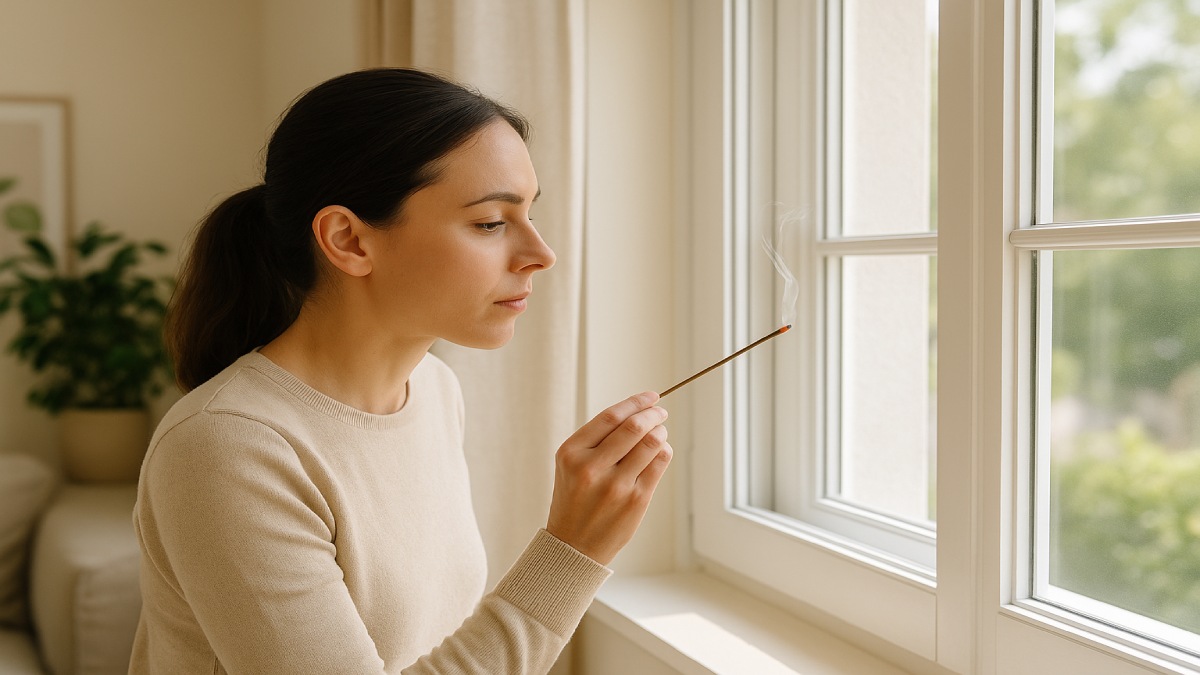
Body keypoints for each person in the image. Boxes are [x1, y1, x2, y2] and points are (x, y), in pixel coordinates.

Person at [130, 68, 672, 674]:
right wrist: (571, 552)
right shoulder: (227, 446)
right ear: (349, 240)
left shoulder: (435, 391)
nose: (540, 254)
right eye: (492, 222)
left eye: (529, 215)